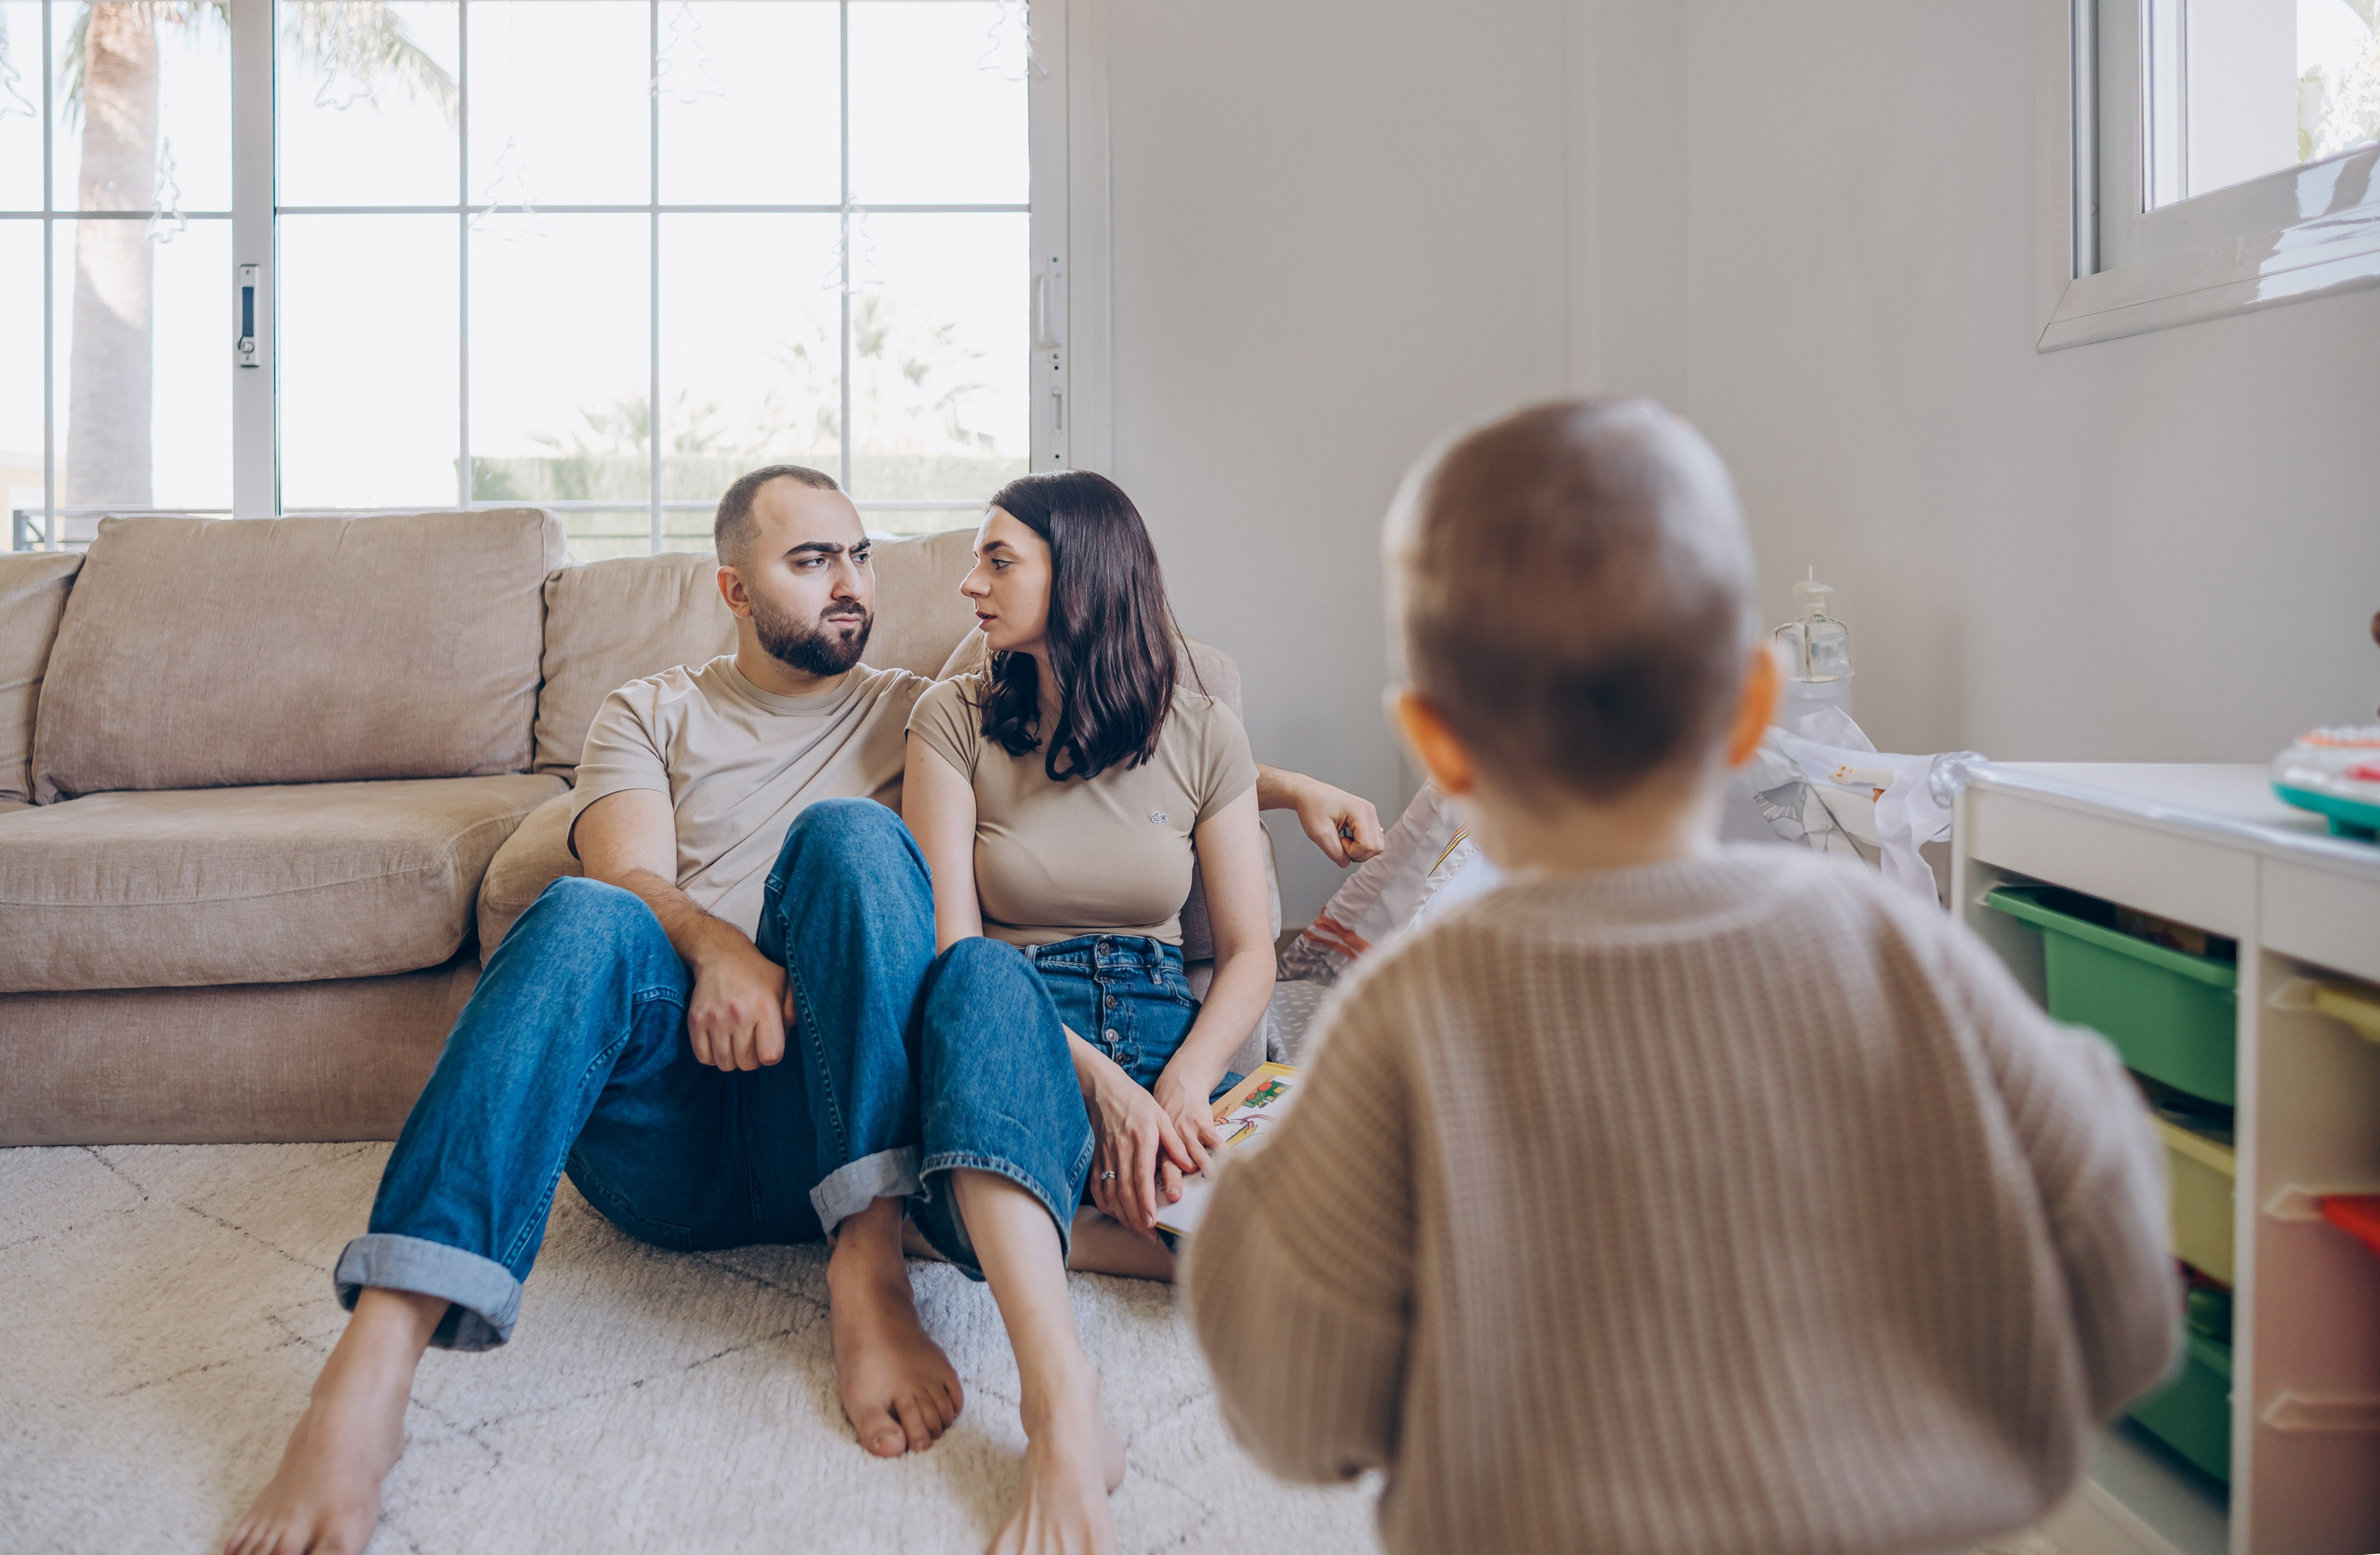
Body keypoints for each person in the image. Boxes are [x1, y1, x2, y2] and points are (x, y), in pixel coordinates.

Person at [226, 464, 1383, 1555]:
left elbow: (1116, 749)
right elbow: (630, 879)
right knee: (579, 913)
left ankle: (868, 1266)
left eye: (864, 557)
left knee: (851, 841)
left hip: (846, 1111)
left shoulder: (921, 709)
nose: (851, 585)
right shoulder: (649, 711)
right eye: (812, 560)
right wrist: (719, 950)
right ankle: (371, 1369)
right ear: (734, 587)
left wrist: (1279, 782)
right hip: (673, 1116)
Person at [1185, 401, 2179, 1555]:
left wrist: (1244, 1220)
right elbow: (2125, 1300)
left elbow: (1296, 1404)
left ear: (1438, 747)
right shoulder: (1904, 952)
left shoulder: (1414, 1011)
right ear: (1753, 706)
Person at [894, 470, 1278, 1555]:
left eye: (998, 559)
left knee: (1316, 1220)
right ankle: (1062, 1384)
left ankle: (1034, 1217)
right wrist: (1100, 1088)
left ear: (1086, 574)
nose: (969, 583)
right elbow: (954, 949)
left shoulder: (1204, 731)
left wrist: (1178, 1088)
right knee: (978, 1040)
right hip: (1018, 1022)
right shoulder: (953, 716)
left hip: (1165, 1031)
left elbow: (1250, 951)